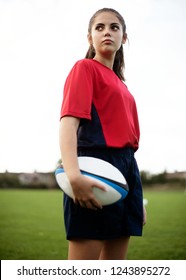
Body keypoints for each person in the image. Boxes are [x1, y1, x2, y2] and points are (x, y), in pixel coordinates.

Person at [59, 7, 147, 260]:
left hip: (127, 171)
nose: (107, 32)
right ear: (90, 38)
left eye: (114, 27)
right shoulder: (85, 68)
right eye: (100, 27)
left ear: (124, 38)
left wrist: (136, 195)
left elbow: (129, 148)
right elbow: (68, 124)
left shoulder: (123, 87)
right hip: (96, 166)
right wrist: (73, 175)